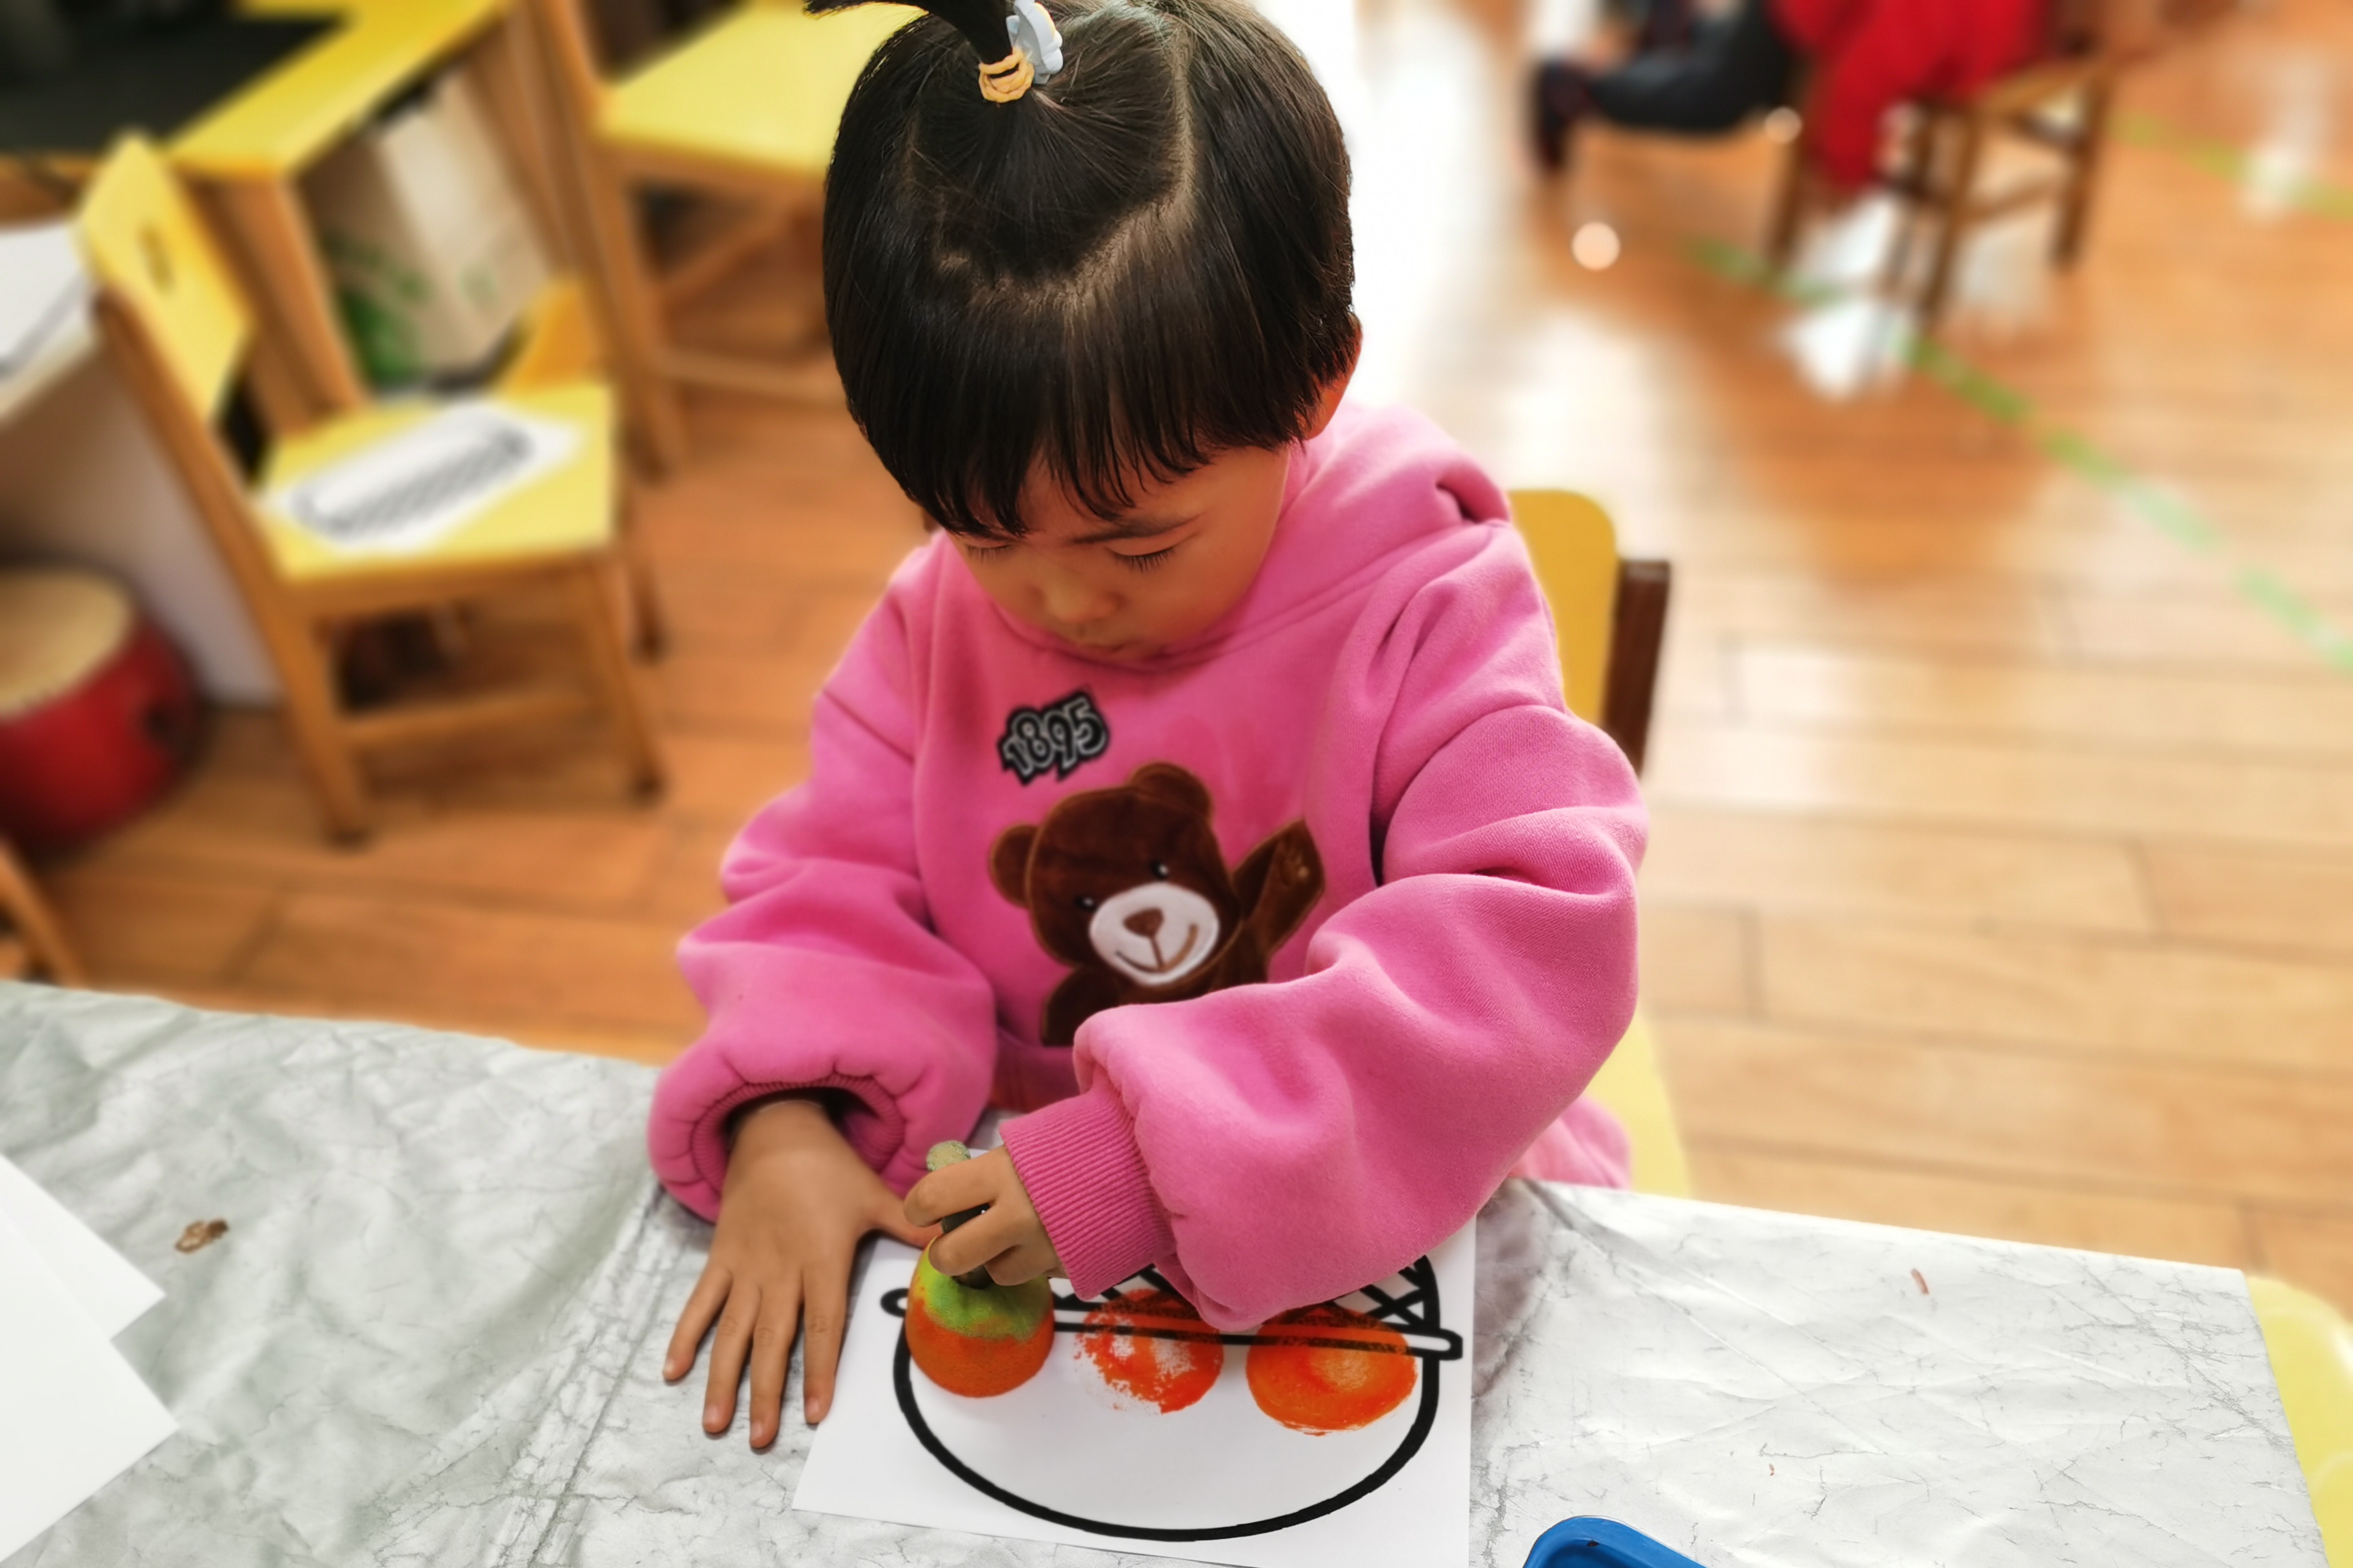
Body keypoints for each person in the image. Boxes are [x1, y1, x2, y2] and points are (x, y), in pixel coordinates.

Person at [651, 0, 1647, 1451]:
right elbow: (834, 889)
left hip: (1394, 1211)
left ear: (1316, 385)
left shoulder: (1428, 598)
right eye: (981, 532)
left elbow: (1523, 946)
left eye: (1136, 542)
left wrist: (1135, 1162)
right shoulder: (935, 626)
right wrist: (790, 1117)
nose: (1059, 601)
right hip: (1029, 1240)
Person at [1533, 0, 2053, 186]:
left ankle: (1678, 29)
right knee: (1718, 101)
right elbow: (1858, 84)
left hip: (1822, 19)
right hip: (1800, 17)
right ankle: (1569, 89)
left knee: (1738, 59)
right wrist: (1850, 174)